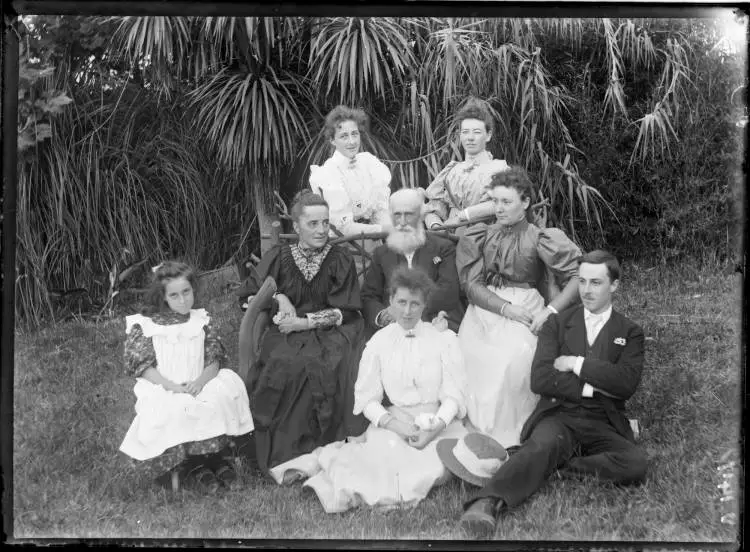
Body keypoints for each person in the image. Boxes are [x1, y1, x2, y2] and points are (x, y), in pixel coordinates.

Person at [456, 250, 648, 537]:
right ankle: (486, 503)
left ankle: (560, 467)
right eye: (581, 281)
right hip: (560, 414)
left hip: (603, 420)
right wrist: (595, 386)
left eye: (596, 283)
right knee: (540, 446)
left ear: (615, 285)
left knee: (636, 464)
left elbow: (625, 384)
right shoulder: (557, 323)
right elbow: (542, 380)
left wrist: (575, 364)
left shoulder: (630, 332)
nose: (586, 290)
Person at [268, 267, 468, 513]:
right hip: (397, 420)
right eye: (401, 302)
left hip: (437, 423)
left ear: (425, 304)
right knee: (383, 461)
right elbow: (368, 399)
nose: (407, 311)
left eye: (415, 304)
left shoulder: (444, 340)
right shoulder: (378, 343)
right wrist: (398, 427)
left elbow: (454, 395)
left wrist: (436, 426)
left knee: (437, 463)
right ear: (391, 301)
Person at [235, 190, 366, 473]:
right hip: (285, 332)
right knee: (285, 364)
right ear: (296, 227)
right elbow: (248, 298)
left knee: (325, 363)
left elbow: (347, 311)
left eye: (325, 223)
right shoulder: (278, 258)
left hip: (331, 330)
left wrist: (305, 323)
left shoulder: (340, 259)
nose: (321, 230)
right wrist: (278, 297)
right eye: (312, 224)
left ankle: (324, 446)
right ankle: (288, 453)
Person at [456, 167, 582, 449]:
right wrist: (504, 308)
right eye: (495, 202)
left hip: (528, 305)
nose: (498, 209)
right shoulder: (481, 234)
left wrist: (550, 311)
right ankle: (476, 429)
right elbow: (471, 285)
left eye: (506, 202)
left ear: (525, 203)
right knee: (471, 354)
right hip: (487, 307)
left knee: (512, 359)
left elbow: (576, 277)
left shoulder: (541, 237)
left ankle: (514, 430)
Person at [119, 261, 255, 492]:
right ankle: (193, 465)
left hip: (199, 380)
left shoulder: (200, 320)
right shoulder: (147, 326)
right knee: (175, 409)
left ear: (193, 289)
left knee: (219, 397)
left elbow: (214, 358)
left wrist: (201, 382)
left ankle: (215, 459)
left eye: (186, 292)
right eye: (174, 295)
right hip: (165, 384)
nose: (183, 300)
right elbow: (144, 367)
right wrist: (171, 386)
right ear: (163, 297)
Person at [361, 187, 464, 335]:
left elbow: (448, 291)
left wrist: (404, 310)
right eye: (397, 215)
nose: (402, 222)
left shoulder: (443, 248)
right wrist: (382, 315)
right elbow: (369, 296)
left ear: (421, 216)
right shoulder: (381, 253)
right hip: (393, 328)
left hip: (434, 322)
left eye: (409, 215)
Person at [424, 97, 509, 232]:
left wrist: (463, 216)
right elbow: (432, 208)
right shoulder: (451, 171)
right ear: (460, 135)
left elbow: (503, 203)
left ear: (488, 135)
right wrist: (436, 227)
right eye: (465, 132)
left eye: (476, 132)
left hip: (486, 238)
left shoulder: (499, 169)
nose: (470, 137)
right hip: (450, 240)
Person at [309, 105, 392, 240]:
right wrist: (382, 229)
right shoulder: (329, 173)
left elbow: (381, 210)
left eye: (355, 134)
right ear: (332, 140)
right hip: (345, 245)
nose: (352, 141)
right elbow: (343, 227)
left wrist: (390, 230)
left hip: (373, 242)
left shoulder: (369, 162)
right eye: (344, 136)